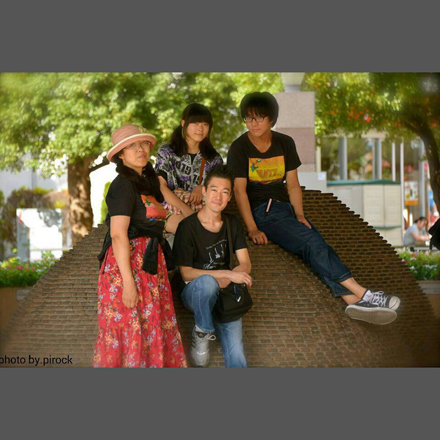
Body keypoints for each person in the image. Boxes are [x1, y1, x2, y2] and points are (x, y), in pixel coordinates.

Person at [227, 92, 401, 326]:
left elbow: (293, 184)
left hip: (284, 210)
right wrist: (252, 228)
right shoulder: (239, 148)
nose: (253, 123)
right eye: (248, 118)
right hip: (263, 212)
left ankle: (352, 301)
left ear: (272, 119)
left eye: (259, 117)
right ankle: (365, 294)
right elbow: (239, 191)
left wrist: (299, 215)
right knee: (312, 243)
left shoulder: (285, 143)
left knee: (317, 244)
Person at [93, 124, 187, 368]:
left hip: (151, 267)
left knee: (151, 330)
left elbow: (163, 223)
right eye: (132, 146)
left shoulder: (147, 184)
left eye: (144, 144)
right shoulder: (122, 185)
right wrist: (128, 282)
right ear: (121, 155)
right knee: (129, 330)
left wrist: (201, 220)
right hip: (127, 268)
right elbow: (118, 235)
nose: (140, 149)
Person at [173, 165, 252, 367]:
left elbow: (245, 263)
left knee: (237, 352)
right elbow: (186, 273)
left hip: (225, 293)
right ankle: (202, 332)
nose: (219, 196)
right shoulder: (187, 227)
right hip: (194, 292)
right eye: (214, 190)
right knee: (208, 283)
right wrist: (226, 275)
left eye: (225, 192)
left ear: (230, 197)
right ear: (204, 192)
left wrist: (228, 279)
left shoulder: (232, 223)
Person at [155, 103, 224, 234]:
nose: (200, 128)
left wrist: (202, 188)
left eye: (205, 124)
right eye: (195, 123)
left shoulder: (214, 159)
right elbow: (161, 187)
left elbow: (219, 191)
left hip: (203, 212)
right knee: (190, 231)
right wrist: (187, 211)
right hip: (170, 210)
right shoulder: (167, 152)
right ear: (183, 123)